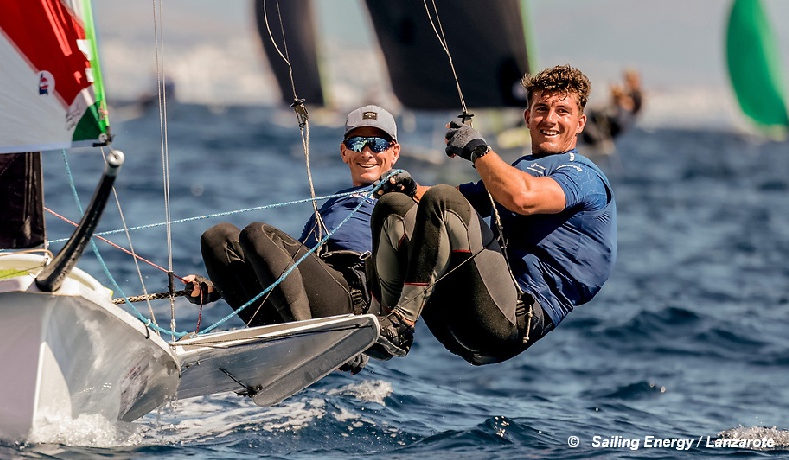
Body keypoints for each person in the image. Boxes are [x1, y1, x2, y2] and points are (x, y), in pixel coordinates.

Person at [366, 64, 617, 365]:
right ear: (527, 117)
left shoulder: (584, 176)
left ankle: (401, 324)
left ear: (580, 122)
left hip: (513, 320)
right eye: (541, 109)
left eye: (562, 111)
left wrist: (477, 149)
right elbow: (466, 199)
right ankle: (378, 323)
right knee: (394, 204)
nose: (550, 119)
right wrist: (409, 187)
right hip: (466, 315)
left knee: (442, 199)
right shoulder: (519, 169)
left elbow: (523, 198)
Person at [183, 104, 403, 373]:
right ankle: (284, 340)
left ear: (394, 153)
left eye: (377, 144)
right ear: (345, 152)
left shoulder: (403, 198)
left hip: (351, 298)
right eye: (357, 143)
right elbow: (279, 270)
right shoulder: (332, 205)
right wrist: (216, 286)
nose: (367, 153)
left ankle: (305, 340)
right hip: (309, 297)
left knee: (257, 233)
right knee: (218, 237)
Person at [582, 67, 643, 148]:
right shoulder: (629, 93)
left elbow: (628, 107)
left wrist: (619, 97)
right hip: (619, 121)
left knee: (594, 114)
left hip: (620, 123)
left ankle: (596, 140)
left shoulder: (636, 95)